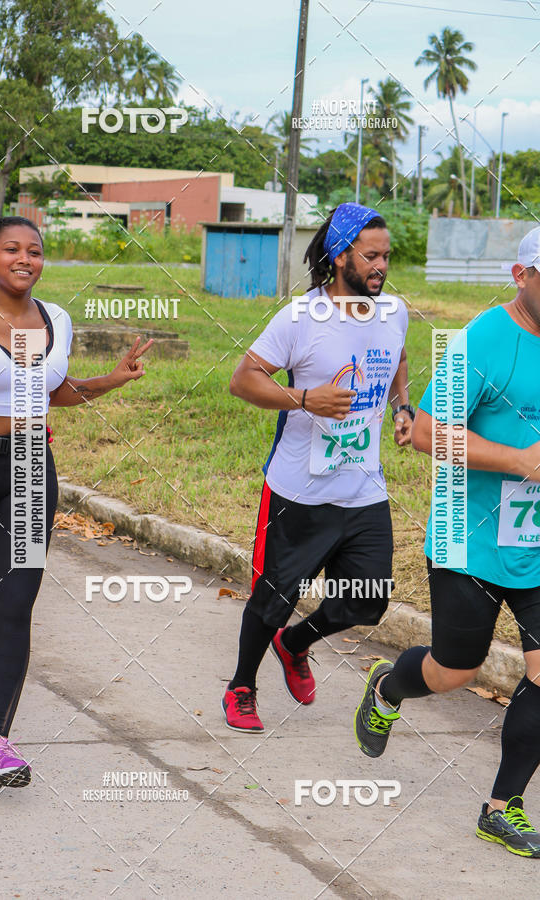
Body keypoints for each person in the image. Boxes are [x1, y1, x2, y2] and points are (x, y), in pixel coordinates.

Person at [0, 216, 152, 788]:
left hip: (31, 467)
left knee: (14, 605)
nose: (25, 259)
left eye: (34, 251)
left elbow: (52, 392)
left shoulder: (55, 319)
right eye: (12, 249)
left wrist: (112, 380)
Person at [354, 225, 540, 857]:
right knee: (457, 668)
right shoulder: (489, 338)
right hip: (471, 542)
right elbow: (427, 432)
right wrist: (521, 461)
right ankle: (387, 688)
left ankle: (502, 805)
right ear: (522, 277)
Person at [222, 202, 413, 733]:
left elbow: (397, 357)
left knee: (368, 601)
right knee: (273, 598)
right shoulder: (301, 317)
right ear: (339, 255)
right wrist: (305, 398)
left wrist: (402, 407)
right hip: (299, 491)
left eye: (386, 256)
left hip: (364, 488)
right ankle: (242, 686)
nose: (381, 266)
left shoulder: (392, 311)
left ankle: (297, 643)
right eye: (370, 256)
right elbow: (244, 380)